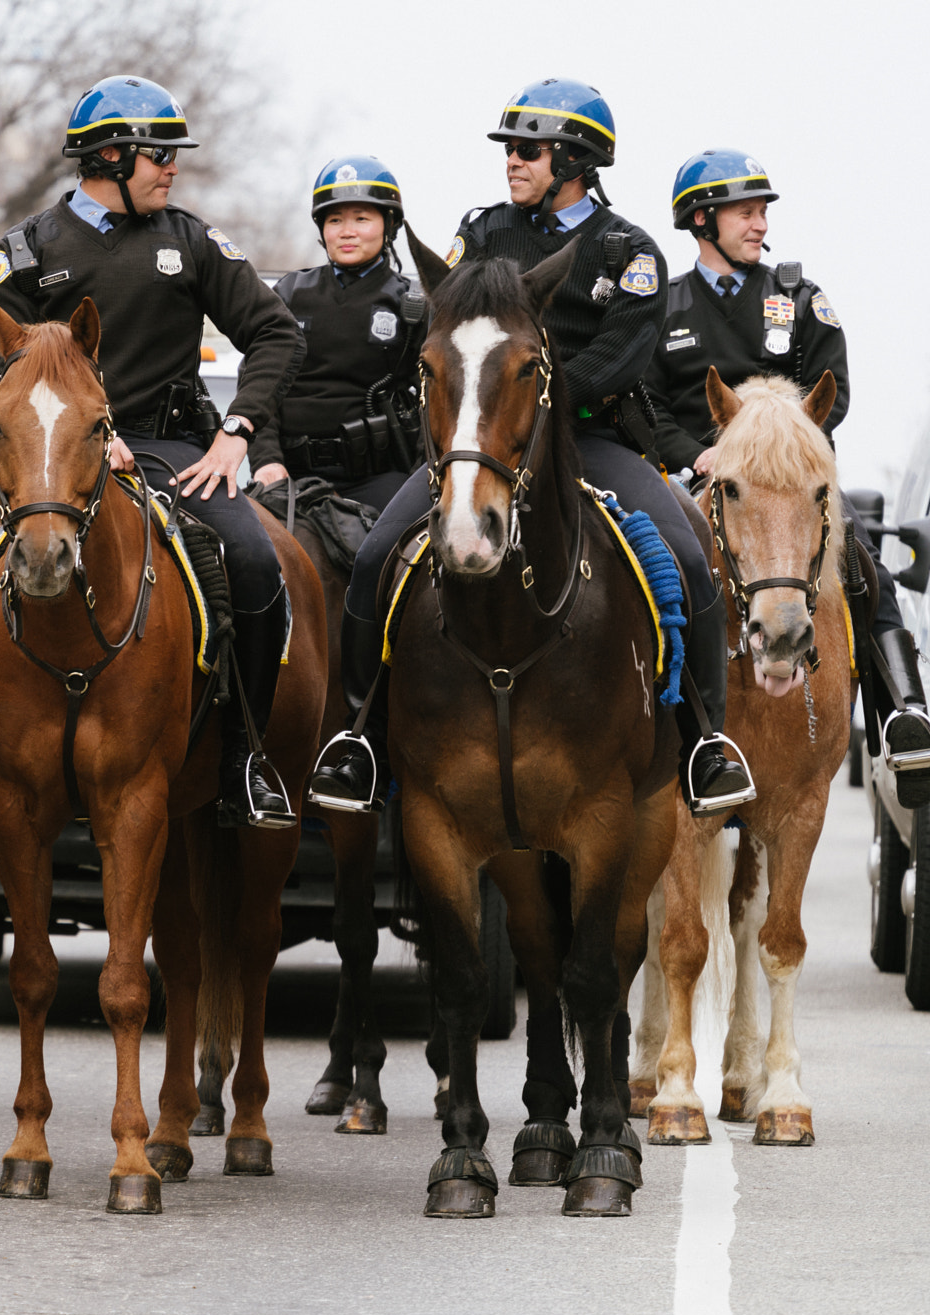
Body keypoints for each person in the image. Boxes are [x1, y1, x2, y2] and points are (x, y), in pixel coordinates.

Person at [309, 77, 756, 818]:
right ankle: (360, 738)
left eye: (526, 150)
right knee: (372, 558)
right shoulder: (480, 234)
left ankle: (706, 741)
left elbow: (628, 351)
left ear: (575, 160)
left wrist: (547, 401)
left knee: (685, 554)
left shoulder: (628, 250)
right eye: (509, 150)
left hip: (594, 439)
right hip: (483, 444)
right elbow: (446, 331)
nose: (511, 162)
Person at [0, 74, 306, 840]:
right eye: (159, 155)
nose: (171, 169)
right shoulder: (27, 250)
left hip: (172, 447)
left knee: (255, 563)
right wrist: (77, 430)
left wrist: (237, 432)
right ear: (111, 157)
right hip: (42, 453)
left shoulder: (191, 242)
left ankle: (244, 758)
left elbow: (279, 332)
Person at [645, 148, 930, 804]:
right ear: (701, 220)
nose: (758, 224)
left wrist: (784, 445)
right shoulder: (666, 307)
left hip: (791, 479)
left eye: (761, 211)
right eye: (743, 212)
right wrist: (700, 454)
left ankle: (902, 713)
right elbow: (647, 403)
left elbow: (837, 389)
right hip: (700, 476)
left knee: (861, 561)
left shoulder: (798, 297)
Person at [253, 154, 427, 513]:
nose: (346, 231)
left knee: (395, 558)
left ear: (388, 224)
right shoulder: (288, 293)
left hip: (379, 479)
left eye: (361, 218)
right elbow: (258, 384)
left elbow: (435, 399)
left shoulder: (413, 306)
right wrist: (266, 460)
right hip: (289, 477)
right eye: (335, 220)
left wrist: (420, 475)